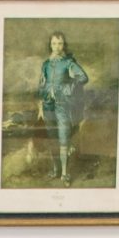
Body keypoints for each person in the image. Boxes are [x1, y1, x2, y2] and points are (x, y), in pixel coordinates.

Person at [36, 31, 88, 182]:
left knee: (63, 139)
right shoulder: (45, 64)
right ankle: (56, 169)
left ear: (64, 45)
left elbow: (83, 77)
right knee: (52, 139)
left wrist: (69, 85)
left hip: (62, 106)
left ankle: (65, 173)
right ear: (50, 45)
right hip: (48, 106)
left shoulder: (68, 63)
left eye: (60, 43)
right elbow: (41, 85)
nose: (57, 47)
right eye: (54, 43)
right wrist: (42, 101)